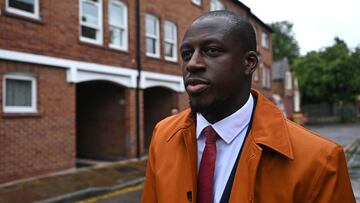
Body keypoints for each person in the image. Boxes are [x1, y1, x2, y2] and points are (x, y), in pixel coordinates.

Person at [141, 11, 355, 203]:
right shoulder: (163, 135)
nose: (192, 64)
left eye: (212, 50)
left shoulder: (320, 160)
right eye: (187, 54)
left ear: (249, 63)